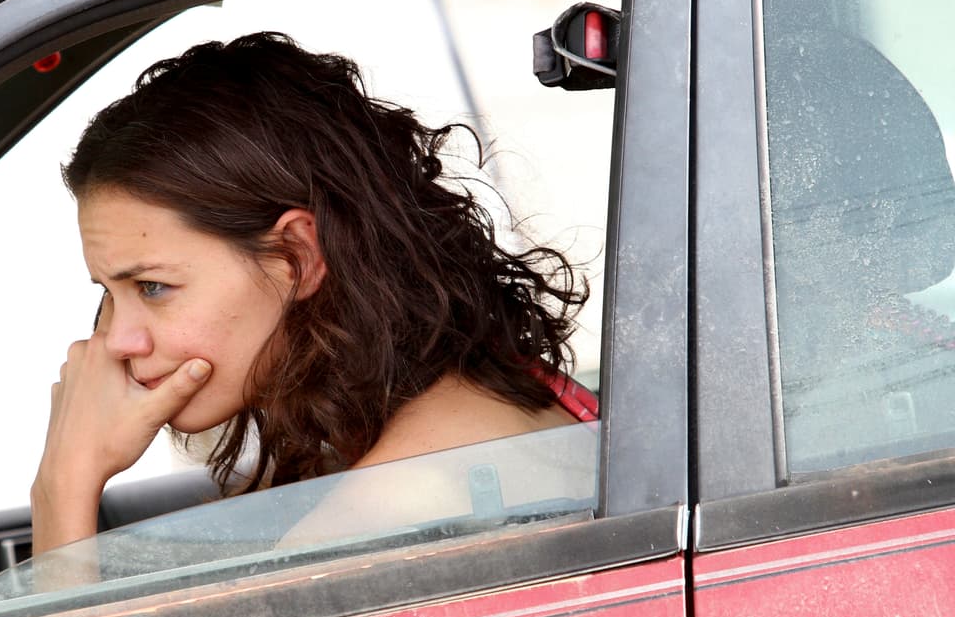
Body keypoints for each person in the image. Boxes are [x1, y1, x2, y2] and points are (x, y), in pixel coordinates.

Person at [31, 32, 591, 556]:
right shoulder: (479, 396)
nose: (116, 341)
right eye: (109, 292)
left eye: (153, 286)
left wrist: (64, 486)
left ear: (297, 257)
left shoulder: (396, 505)